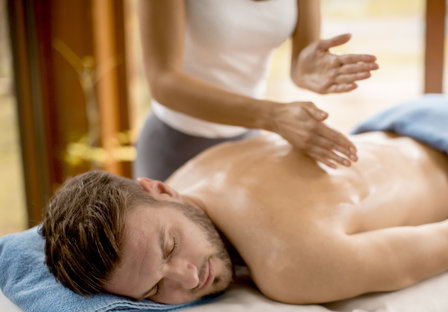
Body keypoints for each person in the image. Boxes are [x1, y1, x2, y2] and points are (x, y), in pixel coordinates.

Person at [42, 96, 448, 305]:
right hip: (413, 115)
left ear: (159, 189)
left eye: (171, 248)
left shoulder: (291, 266)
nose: (188, 278)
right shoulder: (192, 174)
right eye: (154, 291)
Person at [135, 0, 379, 180]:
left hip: (246, 142)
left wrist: (311, 69)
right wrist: (273, 116)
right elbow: (163, 81)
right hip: (175, 145)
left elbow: (301, 62)